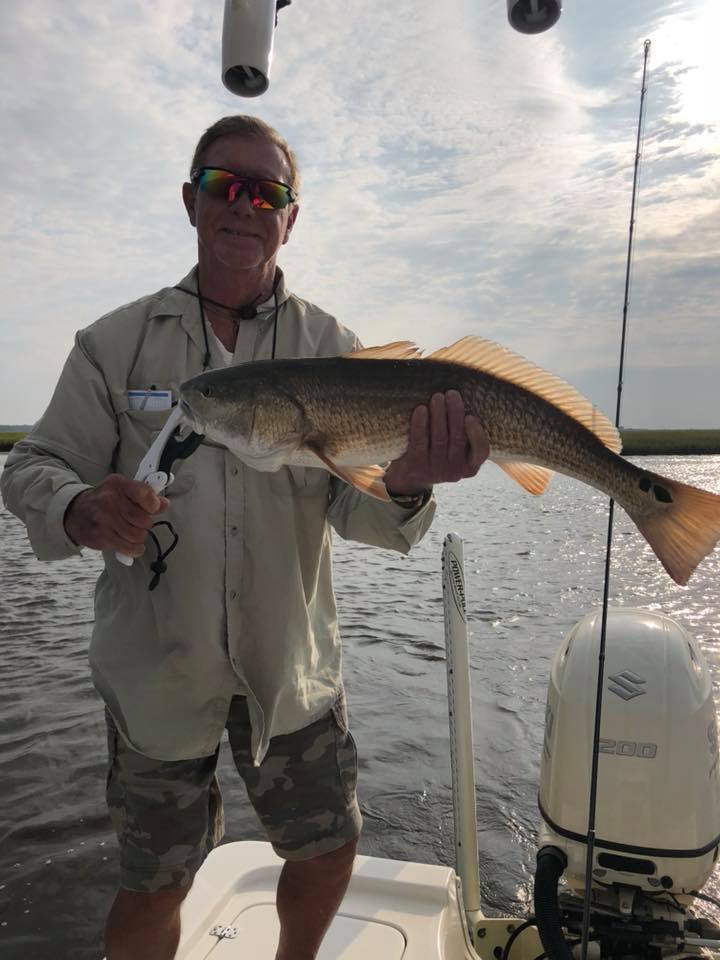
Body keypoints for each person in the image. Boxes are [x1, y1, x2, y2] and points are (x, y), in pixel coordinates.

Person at [0, 115, 489, 960]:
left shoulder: (333, 349)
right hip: (159, 665)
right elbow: (31, 464)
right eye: (226, 185)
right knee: (154, 878)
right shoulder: (112, 344)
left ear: (290, 218)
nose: (245, 205)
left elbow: (358, 511)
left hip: (288, 659)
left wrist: (410, 481)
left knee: (330, 845)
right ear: (192, 201)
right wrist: (79, 507)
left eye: (269, 193)